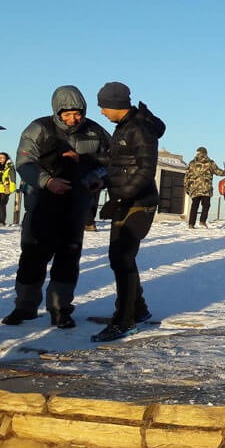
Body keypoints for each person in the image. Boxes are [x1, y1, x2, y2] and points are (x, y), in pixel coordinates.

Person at [2, 86, 111, 329]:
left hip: (75, 207)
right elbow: (24, 162)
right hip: (41, 205)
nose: (74, 119)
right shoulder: (38, 129)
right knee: (32, 257)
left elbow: (112, 162)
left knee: (68, 259)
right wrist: (47, 181)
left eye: (78, 113)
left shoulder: (95, 132)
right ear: (57, 111)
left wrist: (98, 178)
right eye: (67, 114)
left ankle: (60, 308)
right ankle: (24, 307)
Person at [91, 82, 166, 342]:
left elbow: (145, 170)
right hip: (126, 200)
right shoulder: (124, 128)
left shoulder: (139, 130)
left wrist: (121, 198)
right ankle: (138, 309)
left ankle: (124, 321)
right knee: (120, 258)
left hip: (139, 203)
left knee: (122, 258)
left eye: (103, 107)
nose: (101, 112)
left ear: (115, 105)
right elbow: (120, 162)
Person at [184, 147, 225, 228]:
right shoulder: (210, 162)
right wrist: (224, 173)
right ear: (206, 153)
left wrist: (186, 187)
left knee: (194, 206)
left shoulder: (192, 163)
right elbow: (217, 171)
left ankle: (191, 224)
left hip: (194, 188)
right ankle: (202, 221)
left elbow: (187, 176)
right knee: (206, 205)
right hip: (206, 188)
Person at [0, 152, 17, 226]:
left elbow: (13, 178)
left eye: (2, 157)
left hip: (5, 188)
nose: (0, 158)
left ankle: (1, 221)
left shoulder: (9, 167)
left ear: (6, 158)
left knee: (1, 204)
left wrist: (12, 189)